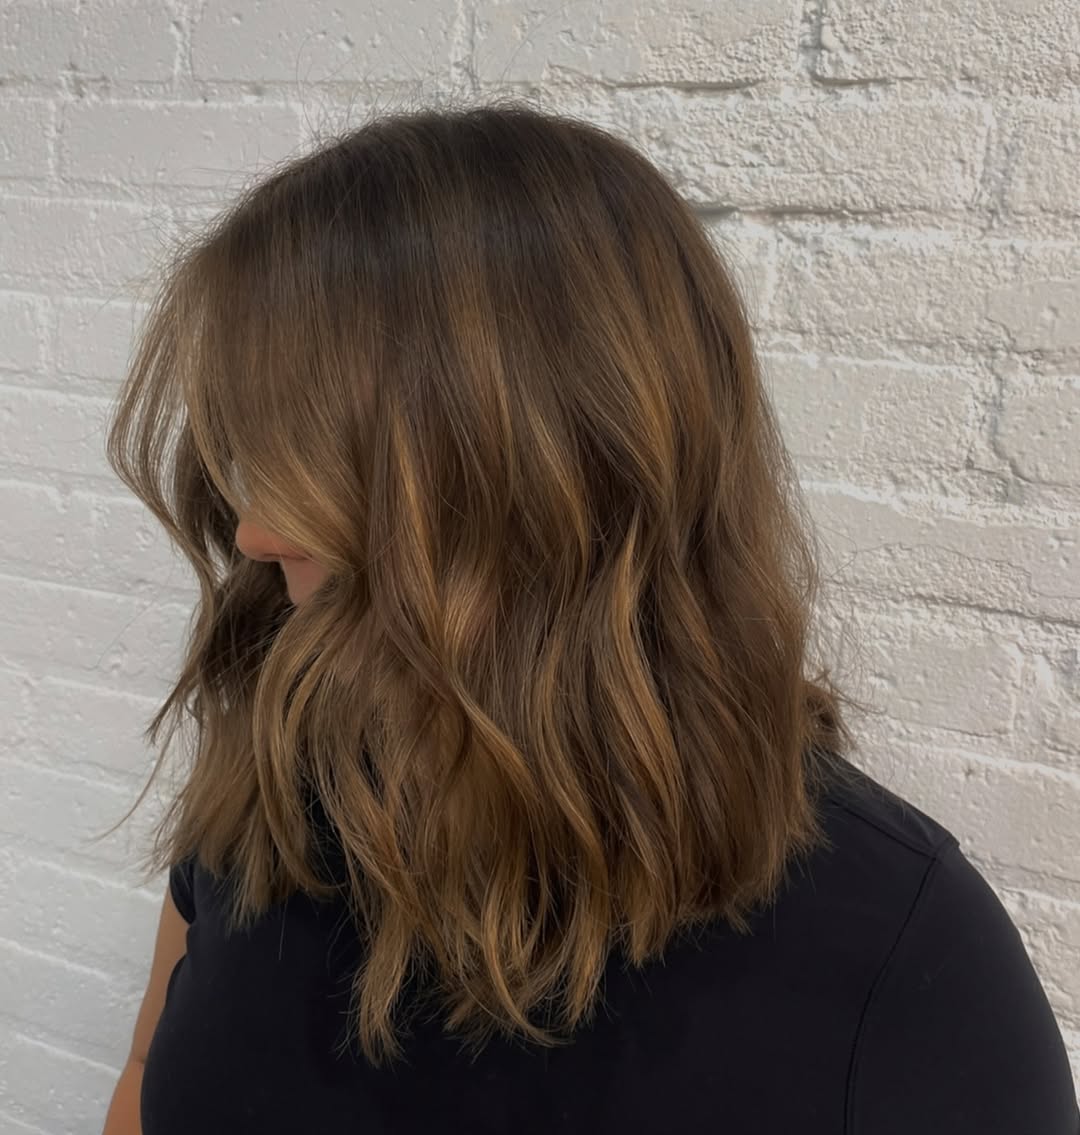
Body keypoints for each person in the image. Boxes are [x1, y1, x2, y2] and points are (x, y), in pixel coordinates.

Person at [99, 98, 1079, 1133]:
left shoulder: (900, 956)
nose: (253, 532)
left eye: (325, 466)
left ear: (548, 478)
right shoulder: (284, 786)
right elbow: (145, 1074)